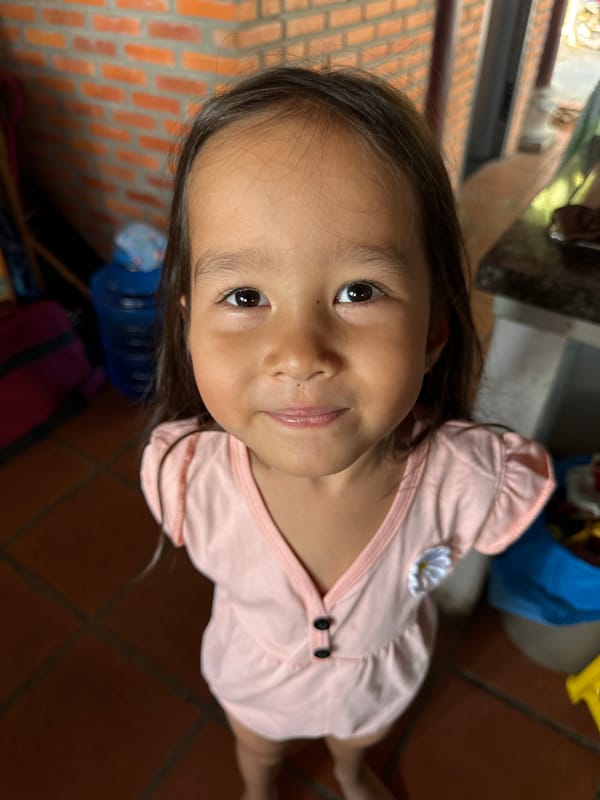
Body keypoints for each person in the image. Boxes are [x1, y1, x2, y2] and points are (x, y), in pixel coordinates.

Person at [141, 65, 555, 800]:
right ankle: (259, 787)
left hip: (376, 687)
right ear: (188, 326)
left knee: (359, 737)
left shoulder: (471, 480)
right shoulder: (187, 479)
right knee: (256, 746)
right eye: (244, 296)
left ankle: (349, 770)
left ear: (433, 330)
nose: (300, 354)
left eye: (358, 291)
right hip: (253, 680)